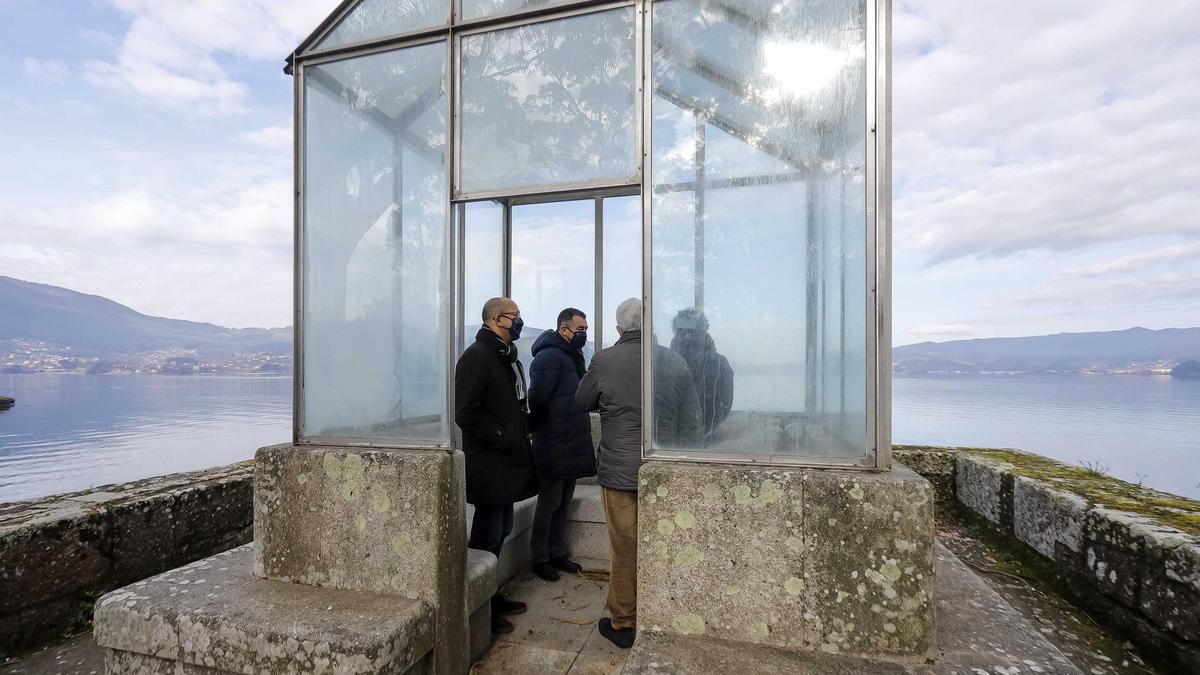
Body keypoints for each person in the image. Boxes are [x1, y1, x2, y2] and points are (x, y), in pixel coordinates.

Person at [576, 298, 699, 649]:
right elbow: (692, 423)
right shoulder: (674, 360)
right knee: (662, 546)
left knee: (624, 548)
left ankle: (624, 621)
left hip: (618, 473)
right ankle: (663, 614)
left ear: (619, 329)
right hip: (663, 473)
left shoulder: (604, 360)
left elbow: (581, 402)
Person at [455, 296, 538, 635]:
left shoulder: (505, 358)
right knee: (487, 534)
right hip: (490, 464)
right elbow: (466, 413)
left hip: (506, 463)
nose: (519, 322)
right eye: (515, 316)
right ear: (496, 319)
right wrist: (504, 435)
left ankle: (491, 594)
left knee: (502, 528)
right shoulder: (477, 357)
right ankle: (479, 606)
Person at [527, 308, 598, 582]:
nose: (583, 334)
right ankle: (540, 558)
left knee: (563, 501)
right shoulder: (549, 358)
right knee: (549, 502)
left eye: (586, 329)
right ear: (563, 329)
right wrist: (534, 431)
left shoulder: (571, 356)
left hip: (570, 441)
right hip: (554, 442)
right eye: (580, 329)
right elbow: (538, 400)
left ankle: (558, 553)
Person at [670, 308, 734, 440]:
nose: (687, 336)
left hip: (692, 440)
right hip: (681, 440)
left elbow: (723, 407)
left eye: (692, 331)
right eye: (681, 331)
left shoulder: (719, 364)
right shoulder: (667, 362)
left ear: (703, 330)